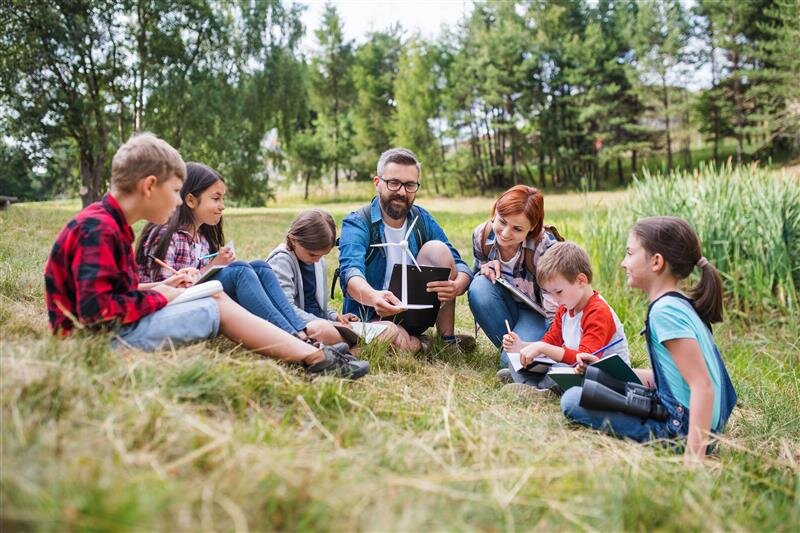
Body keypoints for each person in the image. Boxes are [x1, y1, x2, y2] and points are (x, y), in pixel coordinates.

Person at [44, 133, 367, 379]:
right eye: (174, 192)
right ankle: (311, 357)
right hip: (96, 342)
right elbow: (97, 314)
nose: (176, 202)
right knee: (214, 305)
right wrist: (163, 296)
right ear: (149, 186)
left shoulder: (108, 225)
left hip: (105, 331)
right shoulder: (99, 230)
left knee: (214, 295)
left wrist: (161, 287)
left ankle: (310, 352)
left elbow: (111, 294)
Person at [560, 216, 737, 463]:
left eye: (630, 253)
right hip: (693, 419)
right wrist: (612, 373)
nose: (623, 263)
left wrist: (693, 460)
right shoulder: (678, 303)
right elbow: (677, 378)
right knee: (594, 381)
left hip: (682, 431)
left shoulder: (665, 312)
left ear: (656, 262)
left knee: (572, 400)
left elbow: (702, 386)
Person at [135, 162, 335, 344]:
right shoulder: (167, 235)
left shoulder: (202, 238)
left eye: (223, 198)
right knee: (239, 271)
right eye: (216, 198)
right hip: (171, 308)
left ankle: (300, 332)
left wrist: (215, 265)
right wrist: (215, 265)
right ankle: (293, 339)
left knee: (260, 266)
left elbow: (196, 277)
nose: (222, 206)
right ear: (190, 200)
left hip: (198, 297)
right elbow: (171, 290)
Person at [337, 147, 475, 353]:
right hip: (371, 314)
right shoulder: (359, 222)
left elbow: (460, 264)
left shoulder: (421, 219)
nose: (401, 192)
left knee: (438, 249)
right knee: (392, 335)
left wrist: (456, 286)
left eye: (410, 185)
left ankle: (446, 341)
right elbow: (350, 274)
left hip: (414, 314)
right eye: (393, 183)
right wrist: (374, 297)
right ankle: (419, 344)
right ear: (378, 183)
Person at [502, 241, 629, 393]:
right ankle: (531, 383)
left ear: (581, 281)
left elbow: (584, 360)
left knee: (559, 370)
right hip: (575, 368)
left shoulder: (598, 312)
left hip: (601, 378)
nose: (555, 300)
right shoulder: (565, 308)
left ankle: (533, 386)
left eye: (559, 292)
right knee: (518, 359)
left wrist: (542, 348)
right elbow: (550, 341)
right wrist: (521, 346)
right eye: (550, 293)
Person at [267, 209, 403, 347]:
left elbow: (317, 306)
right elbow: (286, 310)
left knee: (390, 328)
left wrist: (336, 317)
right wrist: (331, 323)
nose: (317, 260)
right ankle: (352, 349)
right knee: (322, 332)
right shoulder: (281, 261)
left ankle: (347, 351)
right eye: (312, 254)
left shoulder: (317, 262)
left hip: (324, 325)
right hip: (301, 328)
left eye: (322, 255)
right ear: (293, 239)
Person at [467, 185, 562, 378]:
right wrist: (484, 269)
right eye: (502, 221)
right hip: (504, 306)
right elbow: (476, 280)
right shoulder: (481, 235)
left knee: (510, 362)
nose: (505, 233)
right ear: (495, 212)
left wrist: (553, 347)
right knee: (479, 285)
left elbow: (556, 309)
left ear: (532, 228)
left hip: (539, 314)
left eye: (517, 229)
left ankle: (516, 356)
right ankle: (511, 350)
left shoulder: (545, 248)